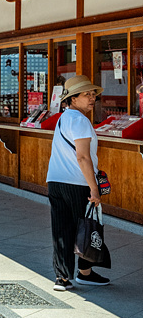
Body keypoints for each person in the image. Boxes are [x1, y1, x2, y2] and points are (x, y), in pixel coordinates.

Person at [46, 75, 110, 291]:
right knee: (87, 227)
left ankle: (62, 278)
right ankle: (84, 272)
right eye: (86, 94)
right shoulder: (81, 120)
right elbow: (82, 157)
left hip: (55, 180)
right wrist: (94, 188)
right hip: (76, 182)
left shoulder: (64, 117)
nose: (92, 98)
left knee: (62, 229)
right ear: (72, 98)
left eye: (93, 94)